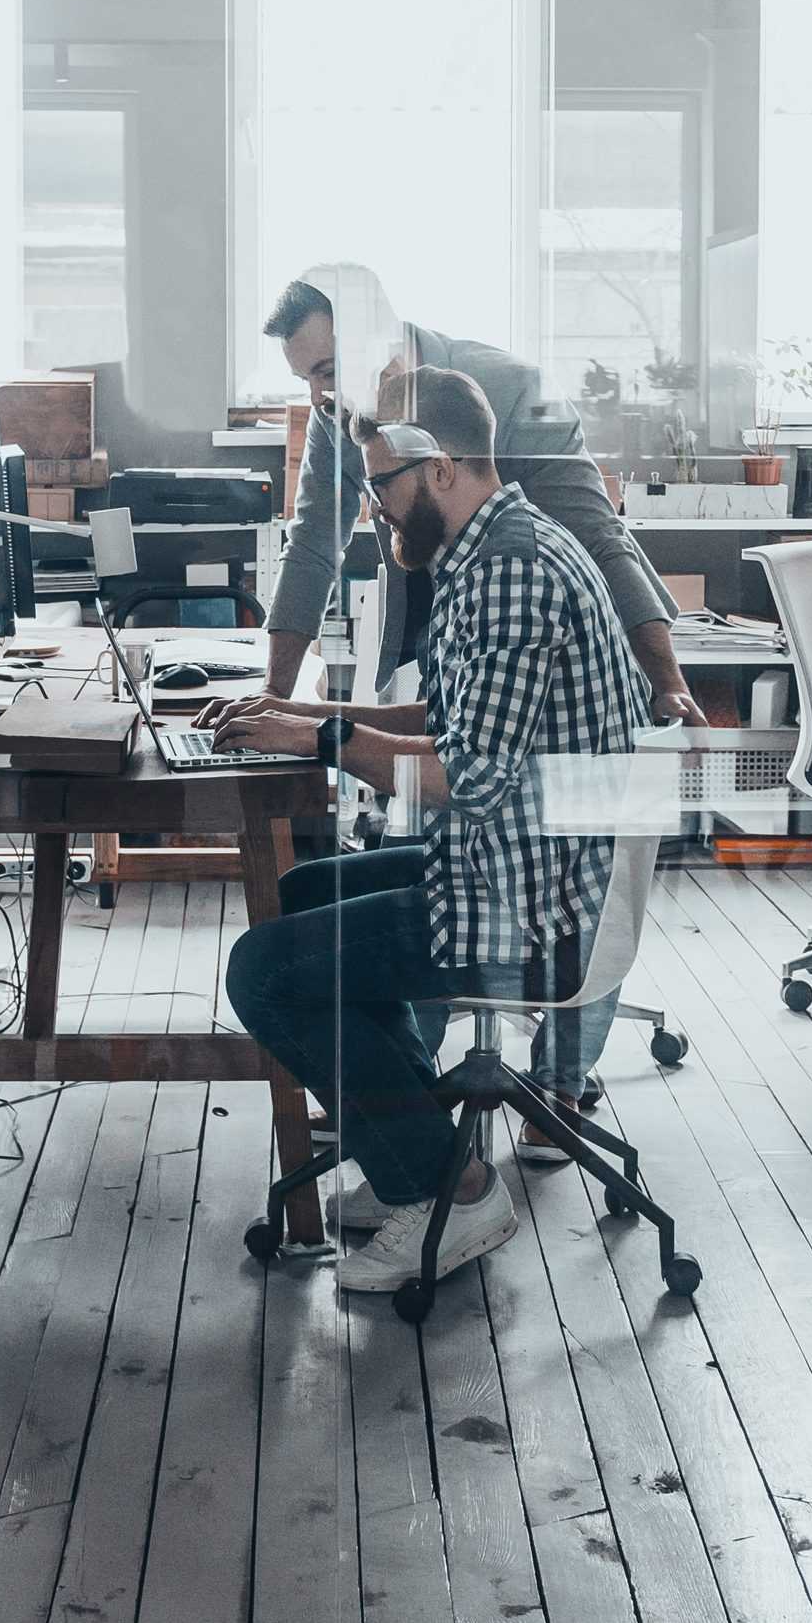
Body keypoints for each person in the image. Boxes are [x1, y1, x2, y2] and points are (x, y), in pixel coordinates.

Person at [219, 365, 651, 1293]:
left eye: (382, 482)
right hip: (531, 863)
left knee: (264, 970)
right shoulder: (497, 549)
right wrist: (304, 723)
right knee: (301, 896)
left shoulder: (509, 574)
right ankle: (414, 1147)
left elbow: (466, 776)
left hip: (537, 907)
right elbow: (457, 719)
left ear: (442, 469)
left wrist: (328, 739)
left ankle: (446, 1187)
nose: (372, 504)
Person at [252, 265, 697, 1135]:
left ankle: (549, 1097)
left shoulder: (498, 399)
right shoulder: (358, 427)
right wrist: (284, 706)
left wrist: (668, 677)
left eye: (331, 368)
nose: (323, 393)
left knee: (441, 842)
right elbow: (313, 545)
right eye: (307, 377)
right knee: (341, 884)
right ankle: (407, 1105)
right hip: (464, 617)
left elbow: (598, 533)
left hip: (535, 761)